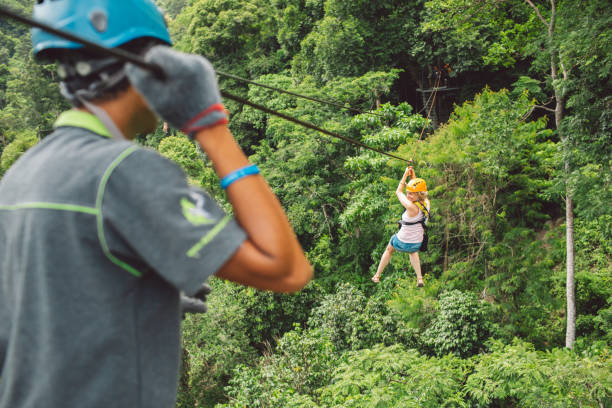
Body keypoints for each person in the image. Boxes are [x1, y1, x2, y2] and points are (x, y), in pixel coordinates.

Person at [0, 1, 312, 407]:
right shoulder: (124, 171)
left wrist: (135, 296)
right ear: (147, 69)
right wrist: (211, 127)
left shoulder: (17, 177)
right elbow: (286, 269)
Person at [371, 166, 430, 286]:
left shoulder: (410, 207)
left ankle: (377, 275)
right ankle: (419, 278)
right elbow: (417, 190)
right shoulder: (427, 204)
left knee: (389, 248)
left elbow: (398, 192)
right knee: (413, 252)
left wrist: (405, 175)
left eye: (411, 194)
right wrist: (413, 176)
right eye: (407, 193)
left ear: (419, 194)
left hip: (400, 242)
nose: (408, 196)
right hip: (416, 244)